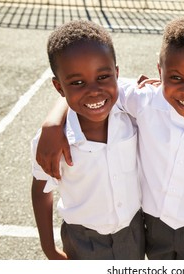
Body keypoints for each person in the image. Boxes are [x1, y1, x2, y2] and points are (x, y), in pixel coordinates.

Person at [36, 16, 184, 260]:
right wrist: (53, 122)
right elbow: (89, 90)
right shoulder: (144, 100)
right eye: (176, 78)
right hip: (152, 226)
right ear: (160, 71)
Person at [31, 20, 144, 260]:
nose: (93, 90)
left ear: (117, 73)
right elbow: (41, 190)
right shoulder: (49, 141)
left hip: (133, 232)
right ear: (59, 87)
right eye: (77, 83)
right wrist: (48, 248)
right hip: (82, 239)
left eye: (103, 77)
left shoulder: (132, 113)